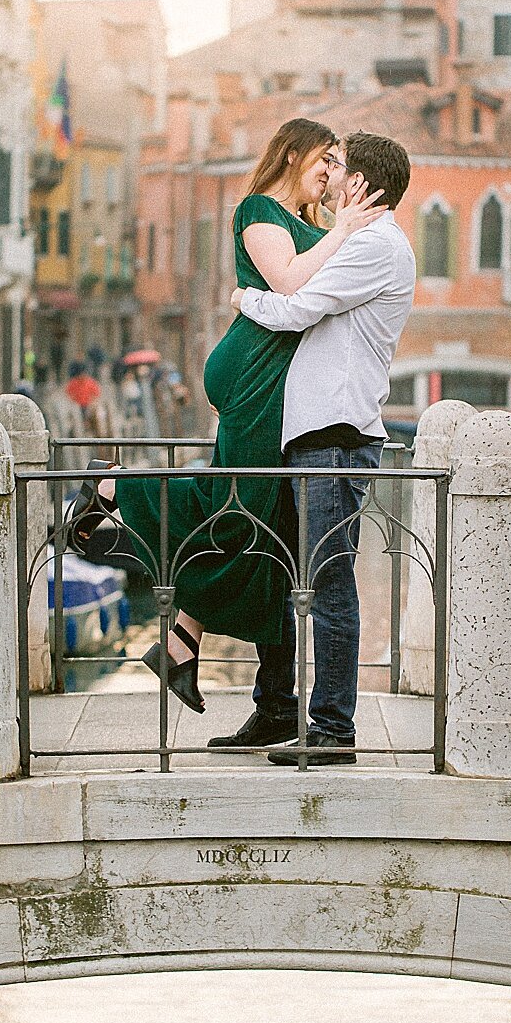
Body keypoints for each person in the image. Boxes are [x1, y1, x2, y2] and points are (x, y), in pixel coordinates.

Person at [69, 118, 385, 709]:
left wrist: (335, 230)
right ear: (293, 154)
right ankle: (114, 486)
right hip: (251, 373)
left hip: (274, 383)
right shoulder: (260, 211)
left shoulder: (310, 224)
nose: (330, 173)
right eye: (326, 160)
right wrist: (343, 228)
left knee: (258, 530)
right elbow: (289, 284)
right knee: (235, 511)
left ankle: (185, 644)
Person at [217, 131, 417, 765]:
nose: (327, 178)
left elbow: (296, 308)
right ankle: (282, 707)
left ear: (362, 185)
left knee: (330, 583)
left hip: (336, 438)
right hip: (316, 436)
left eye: (339, 169)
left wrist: (244, 297)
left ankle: (333, 728)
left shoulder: (376, 248)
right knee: (300, 575)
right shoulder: (361, 244)